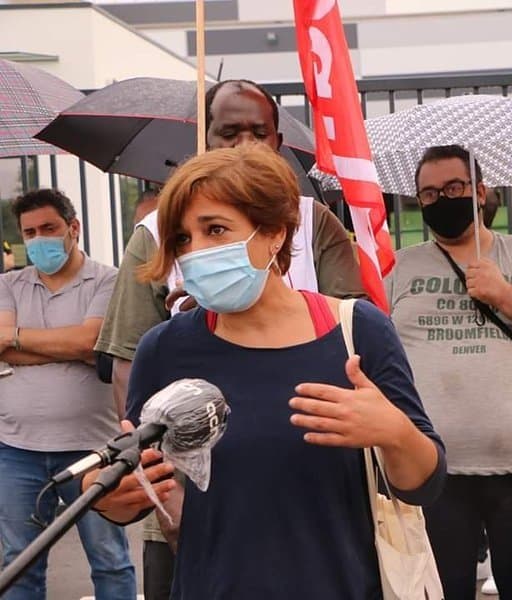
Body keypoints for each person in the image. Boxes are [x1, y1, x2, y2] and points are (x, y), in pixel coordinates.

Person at [83, 143, 446, 599]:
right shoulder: (165, 349)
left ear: (274, 232)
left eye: (215, 229)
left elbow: (425, 484)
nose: (196, 252)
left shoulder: (357, 332)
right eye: (182, 239)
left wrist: (393, 432)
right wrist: (113, 502)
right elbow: (143, 484)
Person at [93, 78, 366, 600]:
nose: (244, 145)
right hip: (191, 500)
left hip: (305, 494)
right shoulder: (154, 232)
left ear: (279, 143)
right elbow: (128, 363)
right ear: (204, 137)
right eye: (228, 132)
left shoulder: (313, 222)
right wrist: (155, 476)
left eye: (257, 133)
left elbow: (349, 327)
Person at [387, 144, 512, 600]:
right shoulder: (400, 266)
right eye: (430, 194)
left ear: (479, 192)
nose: (442, 200)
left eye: (454, 188)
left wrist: (502, 293)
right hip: (432, 472)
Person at [0, 189, 134, 599]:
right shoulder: (8, 285)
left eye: (49, 228)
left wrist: (19, 340)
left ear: (73, 228)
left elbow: (89, 343)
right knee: (19, 562)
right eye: (30, 232)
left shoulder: (108, 280)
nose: (39, 239)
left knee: (110, 562)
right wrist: (67, 347)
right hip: (16, 449)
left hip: (95, 451)